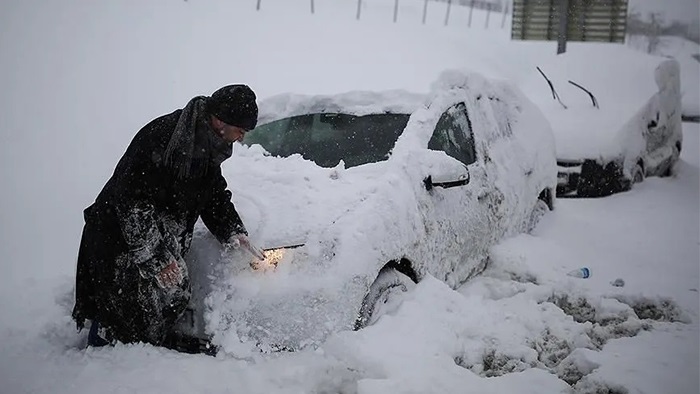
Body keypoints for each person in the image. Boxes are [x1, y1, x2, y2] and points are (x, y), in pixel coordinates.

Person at [72, 84, 261, 352]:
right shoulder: (164, 138)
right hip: (119, 240)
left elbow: (212, 194)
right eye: (240, 130)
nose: (241, 138)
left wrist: (233, 230)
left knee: (168, 297)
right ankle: (101, 363)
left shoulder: (207, 145)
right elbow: (132, 205)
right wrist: (158, 259)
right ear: (220, 121)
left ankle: (146, 353)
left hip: (153, 236)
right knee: (120, 312)